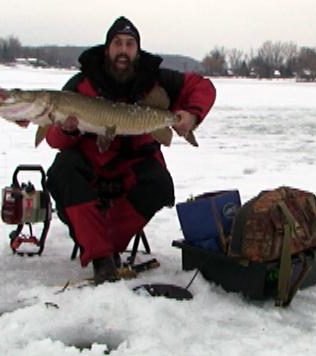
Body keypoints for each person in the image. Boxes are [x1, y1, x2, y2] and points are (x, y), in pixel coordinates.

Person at [45, 16, 216, 284]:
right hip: (92, 164)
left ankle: (104, 244)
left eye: (129, 44)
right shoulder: (81, 85)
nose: (123, 50)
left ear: (137, 50)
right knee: (62, 170)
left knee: (159, 183)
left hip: (134, 165)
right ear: (107, 49)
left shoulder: (154, 78)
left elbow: (202, 87)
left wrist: (191, 115)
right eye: (117, 43)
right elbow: (56, 141)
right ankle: (102, 258)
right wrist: (66, 130)